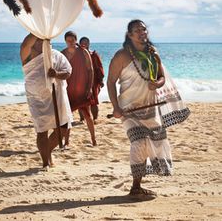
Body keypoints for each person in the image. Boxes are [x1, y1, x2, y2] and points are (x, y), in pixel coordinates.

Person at [107, 19, 190, 199]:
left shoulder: (153, 53)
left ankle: (137, 186)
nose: (142, 32)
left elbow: (161, 77)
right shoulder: (121, 56)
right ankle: (135, 188)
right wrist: (115, 107)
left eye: (144, 29)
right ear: (130, 35)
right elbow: (110, 82)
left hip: (150, 108)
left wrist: (157, 84)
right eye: (137, 30)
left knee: (152, 143)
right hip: (129, 108)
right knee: (138, 142)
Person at [20, 33, 73, 169]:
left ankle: (48, 150)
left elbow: (68, 72)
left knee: (64, 129)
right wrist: (39, 28)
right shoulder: (27, 54)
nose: (42, 43)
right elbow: (26, 43)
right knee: (42, 130)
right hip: (37, 97)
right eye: (38, 40)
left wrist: (56, 74)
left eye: (45, 41)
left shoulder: (56, 55)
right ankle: (45, 162)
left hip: (57, 95)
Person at [61, 31, 97, 146]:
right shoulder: (63, 54)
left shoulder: (83, 52)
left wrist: (90, 88)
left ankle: (93, 140)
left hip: (82, 89)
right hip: (68, 90)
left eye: (73, 40)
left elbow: (90, 70)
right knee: (67, 117)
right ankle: (66, 142)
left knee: (87, 116)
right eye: (68, 40)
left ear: (76, 40)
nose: (71, 42)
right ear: (65, 41)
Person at [79, 37, 104, 123]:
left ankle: (95, 118)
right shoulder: (77, 55)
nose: (84, 44)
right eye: (82, 43)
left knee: (94, 101)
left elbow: (99, 68)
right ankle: (82, 119)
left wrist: (101, 80)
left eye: (86, 43)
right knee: (81, 101)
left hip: (93, 81)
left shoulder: (94, 54)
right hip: (81, 81)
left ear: (89, 44)